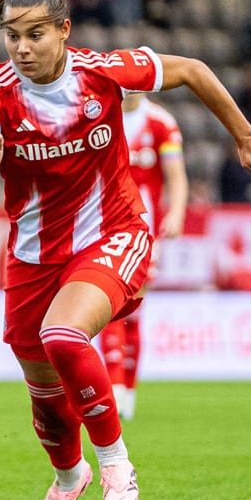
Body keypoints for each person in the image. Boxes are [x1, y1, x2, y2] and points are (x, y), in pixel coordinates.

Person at [0, 0, 251, 500]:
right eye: (12, 36)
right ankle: (68, 476)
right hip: (32, 257)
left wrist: (244, 136)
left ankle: (115, 461)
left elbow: (193, 70)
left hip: (114, 235)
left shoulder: (104, 74)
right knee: (43, 392)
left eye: (35, 35)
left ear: (64, 31)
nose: (22, 49)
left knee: (63, 335)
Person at [99, 92, 188, 420]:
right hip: (104, 229)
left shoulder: (161, 123)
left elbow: (176, 176)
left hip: (145, 234)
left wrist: (177, 212)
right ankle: (116, 387)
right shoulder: (100, 116)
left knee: (132, 311)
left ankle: (128, 391)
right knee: (110, 307)